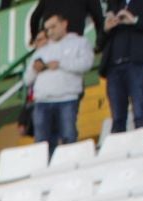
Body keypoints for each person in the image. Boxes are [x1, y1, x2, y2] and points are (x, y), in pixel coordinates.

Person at [100, 0, 143, 141]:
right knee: (117, 118)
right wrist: (106, 28)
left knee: (140, 113)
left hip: (139, 62)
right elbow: (100, 42)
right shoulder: (114, 3)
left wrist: (135, 20)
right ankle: (119, 156)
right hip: (114, 65)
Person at [26, 13, 93, 157]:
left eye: (53, 27)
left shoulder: (79, 42)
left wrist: (61, 64)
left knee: (68, 137)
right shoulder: (42, 49)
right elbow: (26, 80)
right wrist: (34, 69)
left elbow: (86, 64)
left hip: (67, 99)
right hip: (42, 102)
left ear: (64, 24)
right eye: (47, 28)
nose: (50, 31)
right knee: (42, 145)